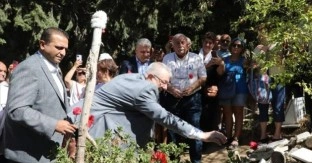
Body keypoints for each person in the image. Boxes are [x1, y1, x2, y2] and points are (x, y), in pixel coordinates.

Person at [69, 62, 226, 149]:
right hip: (88, 128)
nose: (165, 87)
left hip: (82, 122)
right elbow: (164, 117)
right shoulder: (145, 88)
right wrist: (201, 135)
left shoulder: (132, 78)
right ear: (151, 76)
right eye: (163, 82)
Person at [2, 27, 77, 163]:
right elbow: (16, 109)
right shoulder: (29, 68)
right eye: (58, 47)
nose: (63, 52)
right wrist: (54, 125)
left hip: (49, 156)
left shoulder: (55, 69)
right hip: (30, 157)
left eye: (65, 48)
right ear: (42, 44)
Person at [162, 33, 207, 163]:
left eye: (183, 43)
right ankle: (175, 162)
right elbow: (162, 79)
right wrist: (171, 89)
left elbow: (203, 77)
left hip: (192, 98)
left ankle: (196, 161)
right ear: (172, 45)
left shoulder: (196, 58)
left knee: (194, 128)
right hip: (172, 98)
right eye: (177, 43)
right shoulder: (167, 58)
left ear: (188, 45)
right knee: (173, 130)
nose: (180, 45)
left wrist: (192, 87)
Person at [219, 38, 248, 149]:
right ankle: (228, 136)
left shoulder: (244, 61)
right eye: (234, 45)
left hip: (240, 89)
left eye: (239, 46)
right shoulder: (224, 59)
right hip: (226, 90)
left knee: (238, 113)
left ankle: (236, 138)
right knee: (227, 113)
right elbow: (220, 73)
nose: (236, 47)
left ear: (242, 48)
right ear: (231, 47)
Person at [198, 32, 225, 132]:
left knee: (210, 118)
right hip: (197, 91)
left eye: (210, 43)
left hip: (211, 92)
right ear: (202, 42)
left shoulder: (216, 56)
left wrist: (221, 64)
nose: (207, 45)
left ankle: (208, 144)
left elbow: (220, 74)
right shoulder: (194, 55)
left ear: (213, 45)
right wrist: (207, 66)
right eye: (206, 42)